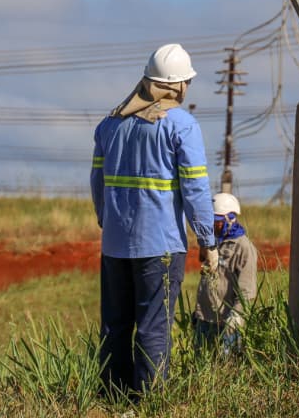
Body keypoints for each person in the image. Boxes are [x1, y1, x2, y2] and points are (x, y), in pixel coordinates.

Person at [91, 43, 217, 398]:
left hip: (115, 243)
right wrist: (207, 241)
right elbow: (195, 188)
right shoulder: (182, 125)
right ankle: (148, 401)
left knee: (115, 325)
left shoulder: (111, 123)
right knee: (153, 327)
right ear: (178, 85)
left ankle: (111, 396)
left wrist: (107, 220)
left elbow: (97, 182)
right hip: (160, 244)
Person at [193, 192, 258, 355]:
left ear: (231, 219)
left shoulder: (244, 248)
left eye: (218, 223)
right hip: (204, 319)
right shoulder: (212, 242)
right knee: (201, 367)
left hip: (227, 323)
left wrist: (236, 317)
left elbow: (247, 290)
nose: (213, 227)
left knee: (225, 368)